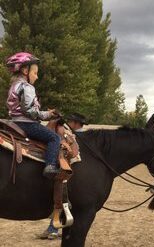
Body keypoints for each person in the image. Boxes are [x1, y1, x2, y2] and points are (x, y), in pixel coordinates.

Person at [6, 52, 60, 179]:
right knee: (54, 138)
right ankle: (50, 165)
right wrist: (48, 114)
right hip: (27, 124)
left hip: (15, 122)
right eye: (35, 73)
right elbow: (29, 111)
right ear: (25, 70)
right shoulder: (27, 87)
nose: (36, 77)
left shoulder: (14, 86)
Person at [38, 112, 87, 240]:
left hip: (73, 169)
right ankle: (53, 227)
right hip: (73, 167)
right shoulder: (75, 135)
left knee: (63, 193)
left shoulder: (76, 136)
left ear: (76, 124)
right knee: (62, 195)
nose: (69, 123)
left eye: (71, 121)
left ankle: (53, 228)